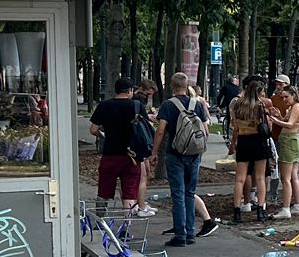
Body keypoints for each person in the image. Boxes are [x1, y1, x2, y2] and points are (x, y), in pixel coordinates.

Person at [153, 71, 211, 246]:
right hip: (194, 154)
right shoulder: (197, 104)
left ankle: (180, 234)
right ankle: (191, 232)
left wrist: (154, 152)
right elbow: (205, 130)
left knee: (177, 193)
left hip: (175, 153)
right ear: (187, 86)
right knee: (189, 192)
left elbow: (161, 130)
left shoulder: (168, 105)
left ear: (171, 86)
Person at [88, 77, 150, 215]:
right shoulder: (137, 106)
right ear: (129, 90)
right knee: (129, 193)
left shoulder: (104, 105)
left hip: (110, 154)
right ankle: (126, 226)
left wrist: (103, 135)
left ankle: (100, 220)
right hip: (132, 156)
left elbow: (93, 129)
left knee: (104, 190)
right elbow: (145, 129)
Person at [228, 72, 272, 223]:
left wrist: (233, 145)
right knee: (260, 177)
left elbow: (235, 128)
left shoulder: (237, 105)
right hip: (258, 141)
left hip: (243, 141)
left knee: (239, 178)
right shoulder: (260, 105)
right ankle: (260, 209)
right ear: (258, 92)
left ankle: (237, 210)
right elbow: (267, 126)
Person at [272, 85, 299, 217]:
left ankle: (286, 208)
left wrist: (275, 121)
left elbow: (290, 124)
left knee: (286, 178)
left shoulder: (296, 107)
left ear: (294, 95)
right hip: (292, 141)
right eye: (282, 97)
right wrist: (279, 116)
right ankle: (297, 205)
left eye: (286, 97)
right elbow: (287, 121)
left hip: (290, 142)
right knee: (294, 176)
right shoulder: (295, 107)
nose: (284, 99)